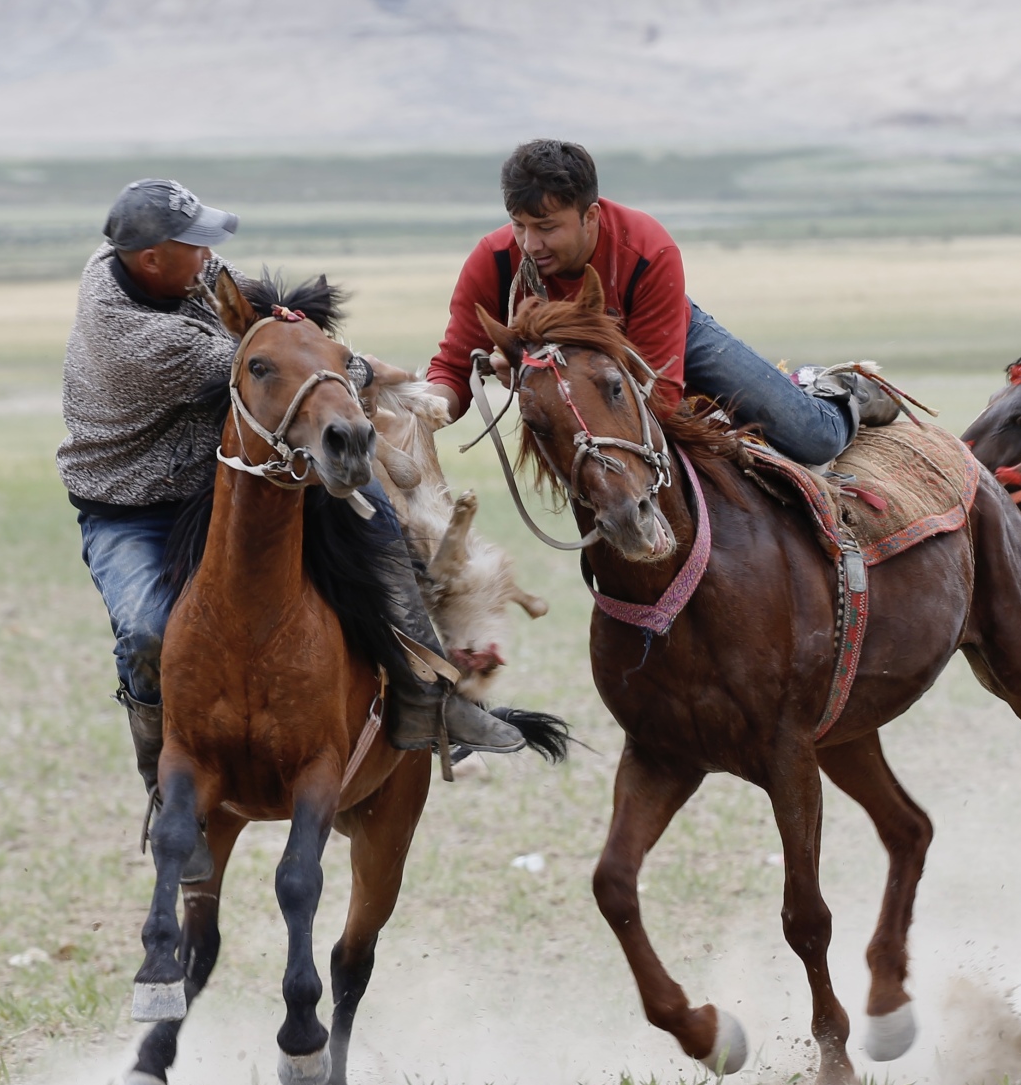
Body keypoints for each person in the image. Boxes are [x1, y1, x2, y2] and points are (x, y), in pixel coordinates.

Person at [59, 179, 523, 882]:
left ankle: (438, 700)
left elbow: (250, 311)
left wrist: (294, 328)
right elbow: (267, 369)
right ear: (151, 259)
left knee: (378, 531)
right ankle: (166, 784)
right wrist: (371, 373)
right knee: (148, 630)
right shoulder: (140, 340)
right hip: (137, 503)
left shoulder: (155, 264)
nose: (210, 253)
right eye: (195, 243)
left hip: (233, 463)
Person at [423, 140, 897, 465]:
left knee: (813, 440)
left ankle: (829, 389)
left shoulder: (647, 250)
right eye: (519, 225)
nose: (529, 243)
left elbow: (661, 395)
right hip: (583, 382)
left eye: (547, 227)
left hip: (667, 342)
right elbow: (452, 367)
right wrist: (418, 414)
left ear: (590, 216)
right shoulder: (494, 260)